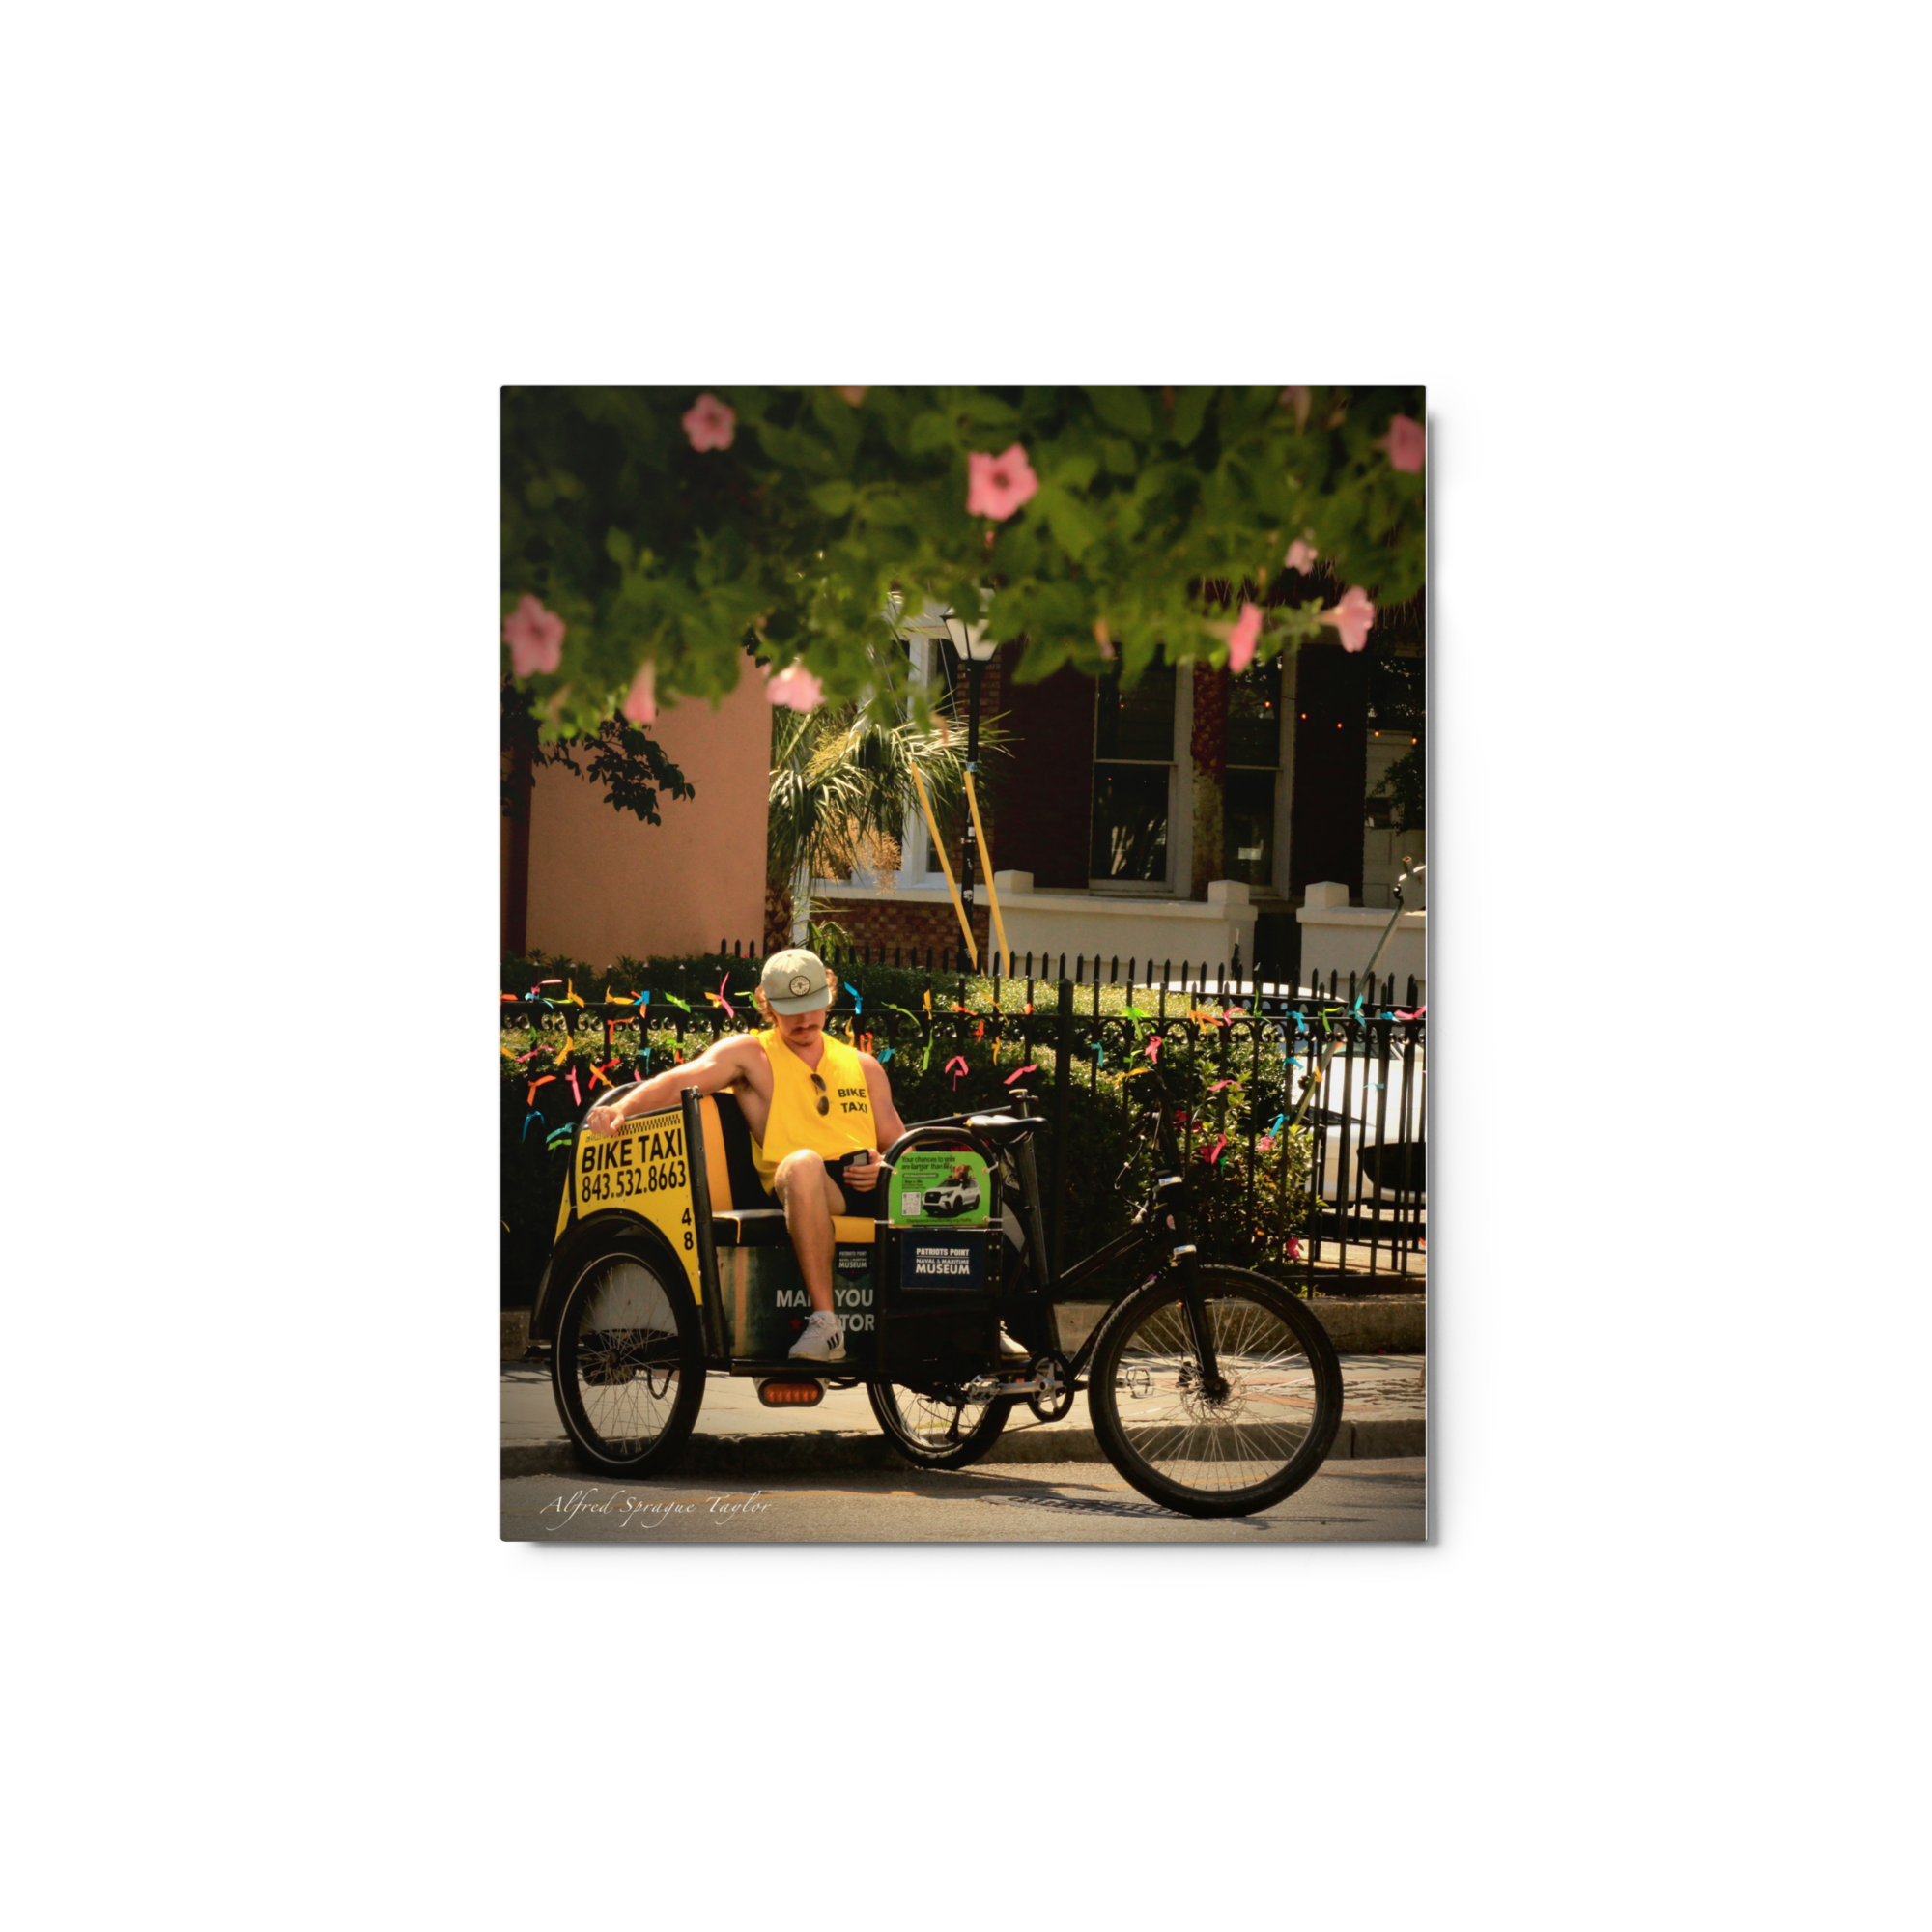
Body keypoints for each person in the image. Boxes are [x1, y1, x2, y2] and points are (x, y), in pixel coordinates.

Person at [583, 949, 904, 1362]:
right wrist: (621, 1109)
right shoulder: (750, 1053)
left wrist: (885, 1166)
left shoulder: (864, 1065)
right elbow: (677, 1081)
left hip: (867, 1184)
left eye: (812, 1008)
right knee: (803, 1162)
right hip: (803, 1183)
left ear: (828, 998)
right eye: (791, 1011)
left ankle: (976, 1320)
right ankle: (826, 1324)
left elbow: (899, 1144)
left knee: (958, 1168)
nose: (805, 1021)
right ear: (766, 1005)